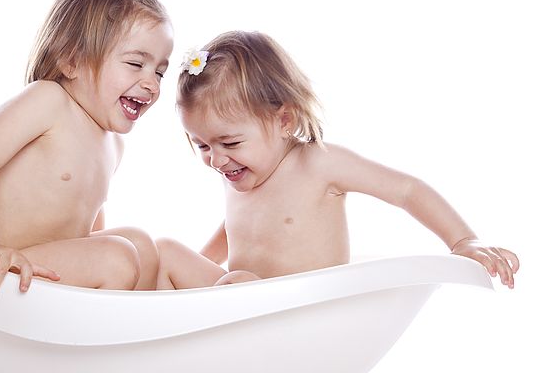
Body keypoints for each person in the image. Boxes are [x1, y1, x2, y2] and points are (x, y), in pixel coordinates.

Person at [157, 31, 519, 290]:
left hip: (301, 310)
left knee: (240, 283)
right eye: (202, 146)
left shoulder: (318, 165)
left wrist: (462, 241)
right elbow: (235, 228)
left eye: (229, 142)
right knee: (163, 252)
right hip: (243, 302)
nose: (216, 160)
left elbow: (406, 190)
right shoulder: (241, 172)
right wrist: (201, 266)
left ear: (284, 120)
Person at [0, 0, 173, 297]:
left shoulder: (113, 145)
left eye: (160, 72)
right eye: (136, 64)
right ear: (73, 60)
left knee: (141, 246)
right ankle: (109, 336)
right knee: (117, 259)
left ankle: (128, 333)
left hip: (36, 273)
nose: (152, 84)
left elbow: (88, 225)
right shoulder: (48, 101)